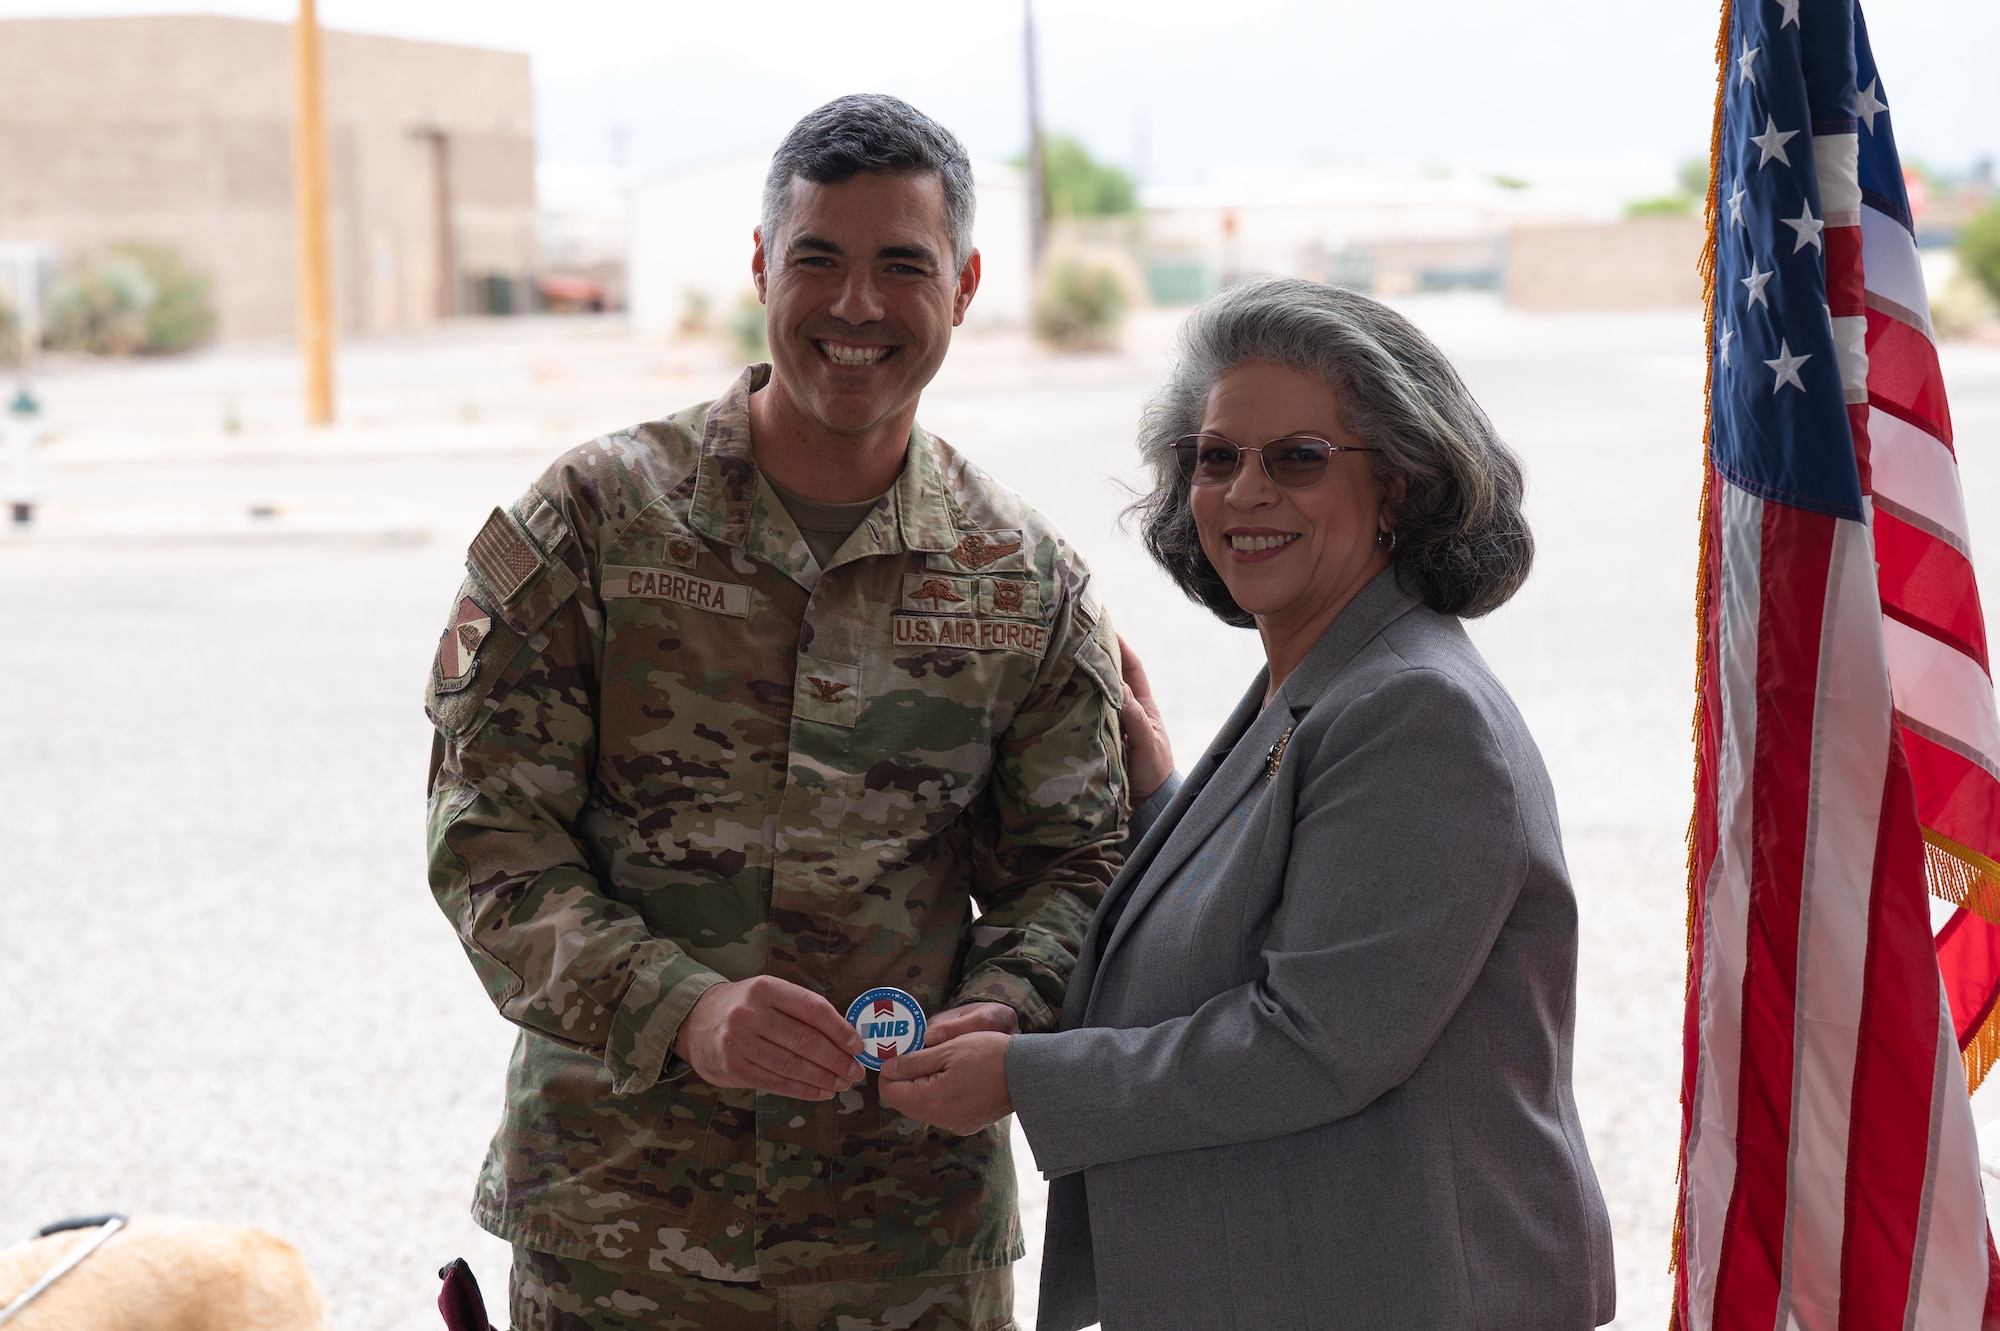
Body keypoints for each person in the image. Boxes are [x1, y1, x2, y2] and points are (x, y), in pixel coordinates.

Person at [423, 95, 1133, 1331]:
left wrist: (1006, 1015)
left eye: (900, 266)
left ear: (962, 284)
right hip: (618, 1236)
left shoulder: (1020, 576)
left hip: (905, 1244)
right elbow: (488, 843)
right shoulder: (593, 523)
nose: (855, 307)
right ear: (761, 263)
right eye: (818, 259)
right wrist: (680, 1008)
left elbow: (1076, 866)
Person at [880, 277, 1617, 1330]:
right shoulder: (1321, 674)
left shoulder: (1413, 711)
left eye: (1297, 458)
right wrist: (1161, 802)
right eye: (1215, 457)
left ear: (1399, 487)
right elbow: (1296, 903)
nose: (1242, 491)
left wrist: (1024, 1078)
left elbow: (1310, 1040)